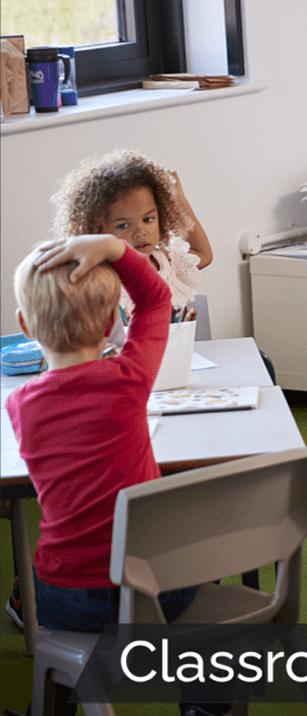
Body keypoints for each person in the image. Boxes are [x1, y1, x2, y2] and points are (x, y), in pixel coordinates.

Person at [8, 235, 198, 629]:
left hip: (70, 599)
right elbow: (155, 299)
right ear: (114, 323)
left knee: (30, 584)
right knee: (197, 564)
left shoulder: (18, 405)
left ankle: (61, 688)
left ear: (25, 326)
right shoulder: (128, 380)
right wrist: (113, 247)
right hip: (152, 585)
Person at [50, 149, 213, 328]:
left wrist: (179, 199)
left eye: (148, 219)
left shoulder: (164, 260)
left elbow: (203, 254)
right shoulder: (102, 277)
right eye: (123, 225)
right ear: (96, 229)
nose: (140, 232)